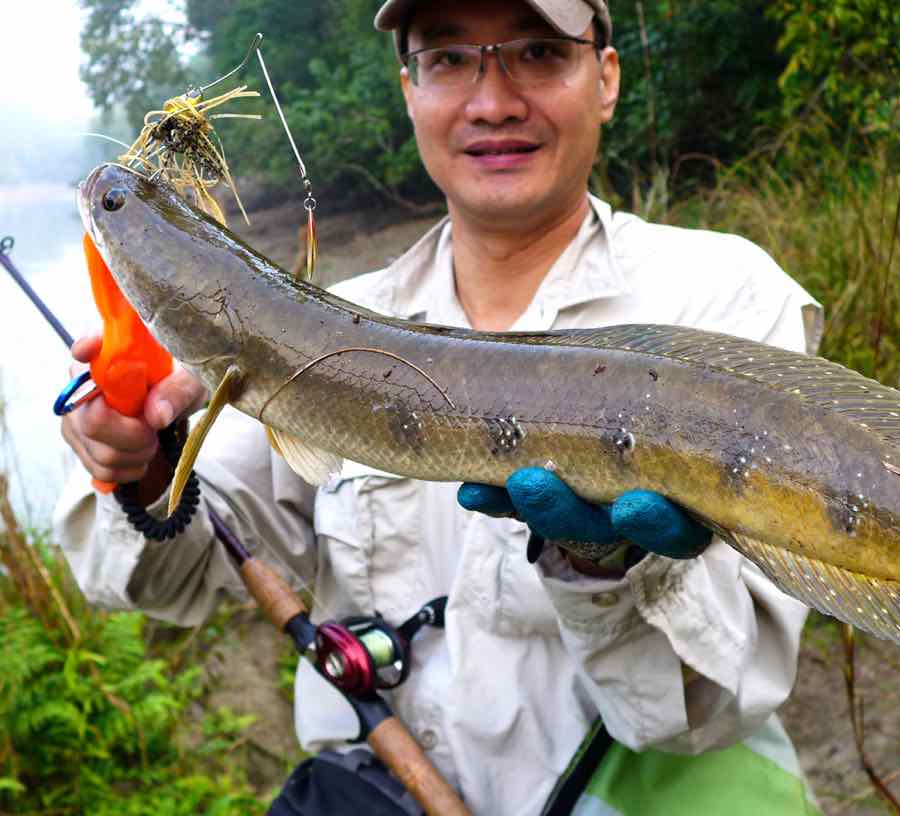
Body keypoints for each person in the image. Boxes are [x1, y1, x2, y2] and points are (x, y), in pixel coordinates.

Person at [55, 1, 826, 813]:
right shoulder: (327, 320)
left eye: (536, 51)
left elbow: (722, 698)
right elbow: (161, 580)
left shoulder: (723, 296)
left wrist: (608, 566)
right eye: (450, 60)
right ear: (410, 91)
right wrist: (141, 469)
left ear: (605, 76)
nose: (492, 101)